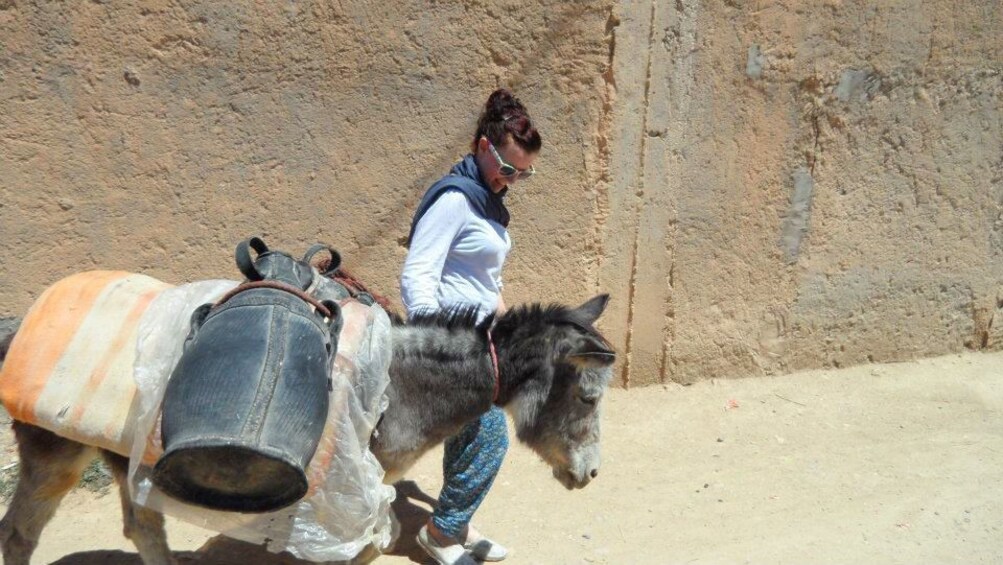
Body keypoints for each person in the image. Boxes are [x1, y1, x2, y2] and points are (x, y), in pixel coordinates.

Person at [400, 88, 541, 565]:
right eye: (508, 168)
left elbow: (485, 280)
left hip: (485, 342)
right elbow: (418, 274)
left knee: (465, 437)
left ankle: (454, 522)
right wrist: (433, 342)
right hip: (452, 345)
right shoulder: (456, 200)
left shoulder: (488, 202)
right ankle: (439, 536)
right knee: (489, 436)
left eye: (524, 173)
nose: (514, 179)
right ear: (484, 146)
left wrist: (513, 326)